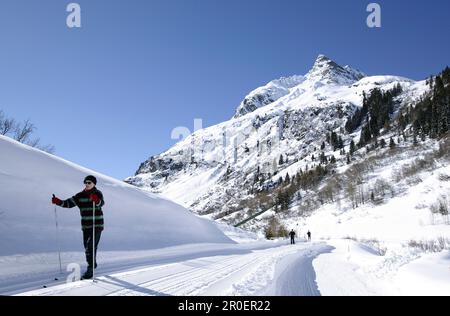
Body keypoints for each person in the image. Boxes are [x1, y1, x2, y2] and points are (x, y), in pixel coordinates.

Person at [52, 175, 105, 279]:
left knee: (91, 246)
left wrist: (96, 200)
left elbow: (101, 203)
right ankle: (93, 264)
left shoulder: (97, 193)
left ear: (94, 184)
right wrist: (58, 202)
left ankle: (90, 268)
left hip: (96, 225)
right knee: (87, 247)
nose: (87, 184)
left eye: (89, 182)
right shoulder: (80, 195)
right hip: (86, 226)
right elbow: (68, 203)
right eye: (86, 182)